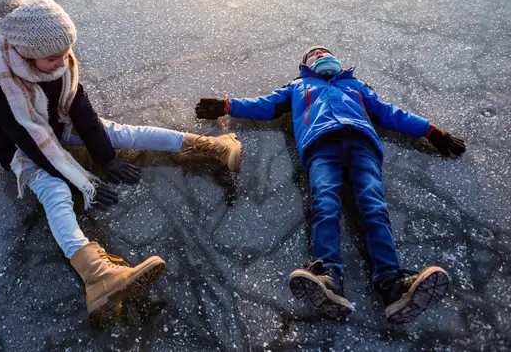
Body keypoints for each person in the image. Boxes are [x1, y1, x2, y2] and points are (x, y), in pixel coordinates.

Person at [0, 0, 242, 320]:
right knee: (54, 191)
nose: (62, 61)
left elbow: (81, 110)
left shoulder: (58, 61)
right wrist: (78, 178)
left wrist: (106, 157)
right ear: (25, 53)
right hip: (19, 145)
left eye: (66, 52)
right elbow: (28, 138)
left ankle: (212, 146)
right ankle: (97, 276)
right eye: (52, 57)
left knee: (119, 133)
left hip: (55, 124)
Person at [194, 46, 465, 323]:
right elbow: (266, 105)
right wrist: (227, 105)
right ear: (305, 65)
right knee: (325, 203)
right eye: (313, 54)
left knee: (373, 206)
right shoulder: (298, 86)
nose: (320, 54)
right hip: (320, 147)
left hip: (362, 146)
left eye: (324, 52)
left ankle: (392, 283)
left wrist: (431, 131)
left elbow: (388, 113)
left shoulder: (355, 85)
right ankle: (329, 276)